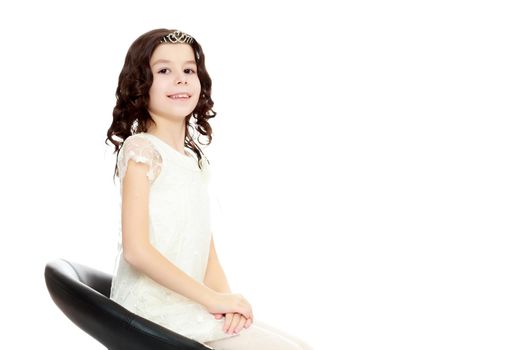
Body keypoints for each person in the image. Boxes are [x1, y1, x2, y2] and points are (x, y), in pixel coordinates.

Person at [105, 28, 313, 349]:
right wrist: (211, 300)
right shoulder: (142, 151)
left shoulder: (192, 161)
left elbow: (206, 250)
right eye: (164, 71)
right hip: (152, 312)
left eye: (189, 70)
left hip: (188, 303)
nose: (181, 79)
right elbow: (136, 251)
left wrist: (226, 302)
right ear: (140, 84)